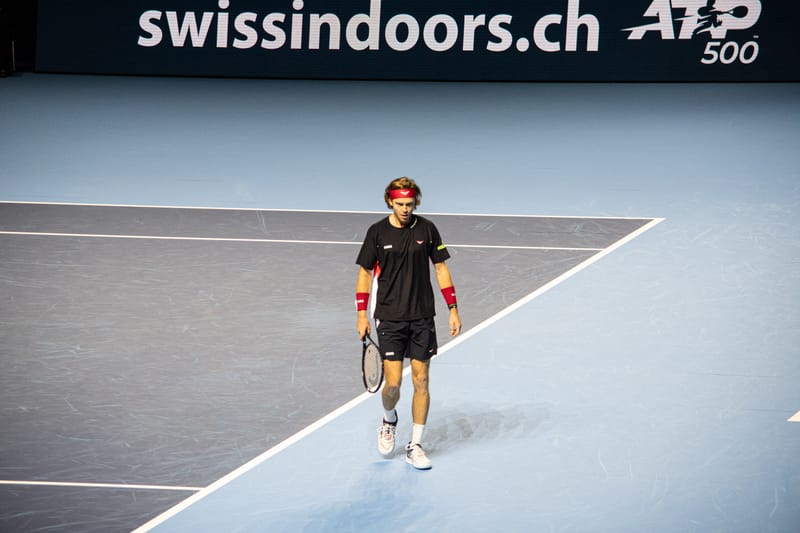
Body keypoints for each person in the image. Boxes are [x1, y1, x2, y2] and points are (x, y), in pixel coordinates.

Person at [355, 176, 462, 470]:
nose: (405, 209)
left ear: (416, 202)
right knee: (392, 384)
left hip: (422, 317)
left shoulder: (426, 229)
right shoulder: (376, 232)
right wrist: (361, 314)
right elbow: (365, 274)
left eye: (410, 204)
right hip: (389, 317)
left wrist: (453, 308)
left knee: (421, 380)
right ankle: (389, 419)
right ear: (390, 201)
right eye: (400, 204)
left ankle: (415, 444)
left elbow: (440, 268)